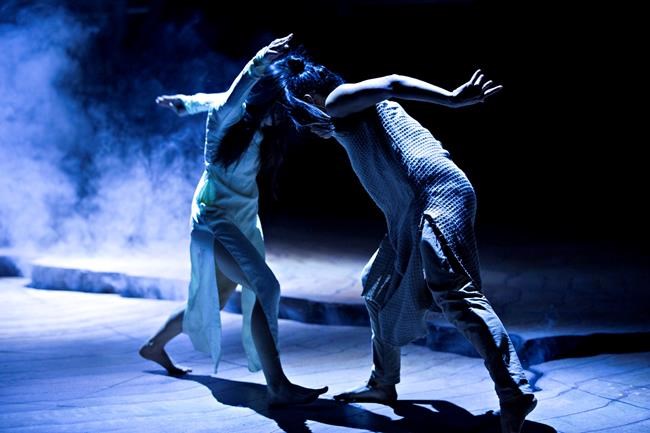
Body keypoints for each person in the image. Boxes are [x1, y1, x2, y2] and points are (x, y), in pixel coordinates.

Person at [277, 54, 537, 432]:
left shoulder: (337, 99)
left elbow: (393, 82)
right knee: (377, 285)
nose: (305, 127)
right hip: (410, 210)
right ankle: (383, 383)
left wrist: (452, 99)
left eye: (301, 114)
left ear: (310, 98)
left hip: (437, 195)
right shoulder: (348, 115)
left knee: (456, 295)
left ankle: (513, 391)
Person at [139, 35, 327, 406]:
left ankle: (154, 345)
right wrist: (261, 59)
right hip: (214, 220)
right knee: (264, 286)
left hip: (244, 221)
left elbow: (208, 98)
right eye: (278, 107)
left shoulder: (259, 122)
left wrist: (184, 102)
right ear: (261, 99)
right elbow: (227, 96)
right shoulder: (226, 117)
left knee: (216, 298)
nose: (280, 116)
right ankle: (278, 385)